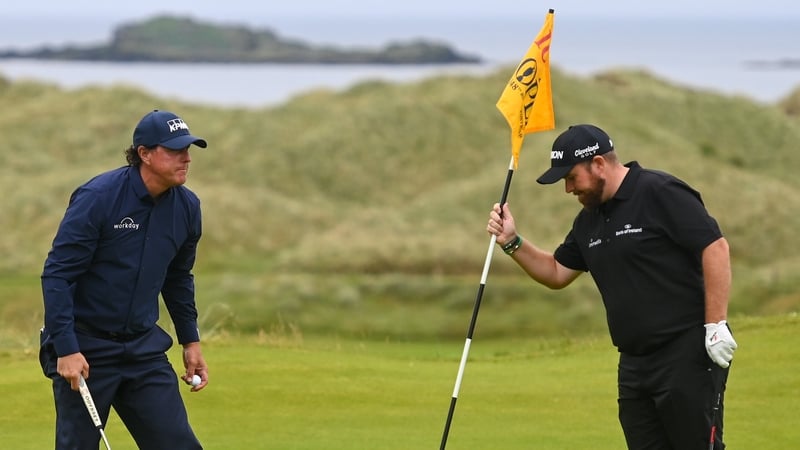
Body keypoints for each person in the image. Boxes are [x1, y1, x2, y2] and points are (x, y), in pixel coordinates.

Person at [486, 124, 737, 450]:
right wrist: (512, 242)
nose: (568, 189)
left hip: (687, 353)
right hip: (634, 365)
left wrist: (715, 325)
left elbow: (714, 247)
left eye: (571, 177)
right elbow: (556, 272)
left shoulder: (659, 192)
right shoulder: (588, 220)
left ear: (599, 164)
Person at [39, 109, 210, 449]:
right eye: (175, 150)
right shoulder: (99, 198)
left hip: (142, 350)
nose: (187, 158)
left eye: (188, 150)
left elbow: (177, 279)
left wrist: (190, 341)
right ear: (144, 154)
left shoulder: (187, 207)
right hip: (87, 349)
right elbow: (58, 274)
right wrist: (67, 348)